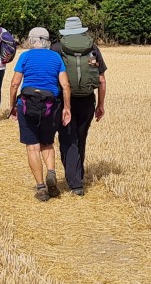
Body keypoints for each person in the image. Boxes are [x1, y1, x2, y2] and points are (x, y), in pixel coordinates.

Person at [8, 27, 72, 202]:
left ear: (31, 40)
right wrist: (67, 108)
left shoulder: (25, 56)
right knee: (47, 143)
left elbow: (14, 84)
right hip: (51, 106)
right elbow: (65, 86)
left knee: (32, 146)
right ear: (47, 41)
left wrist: (13, 105)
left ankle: (41, 187)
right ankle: (51, 172)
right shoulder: (55, 57)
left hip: (27, 105)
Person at [52, 17, 107, 197]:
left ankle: (75, 183)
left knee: (68, 139)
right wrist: (100, 104)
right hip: (87, 99)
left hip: (63, 99)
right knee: (81, 138)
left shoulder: (57, 47)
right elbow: (101, 80)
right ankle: (78, 176)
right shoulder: (92, 47)